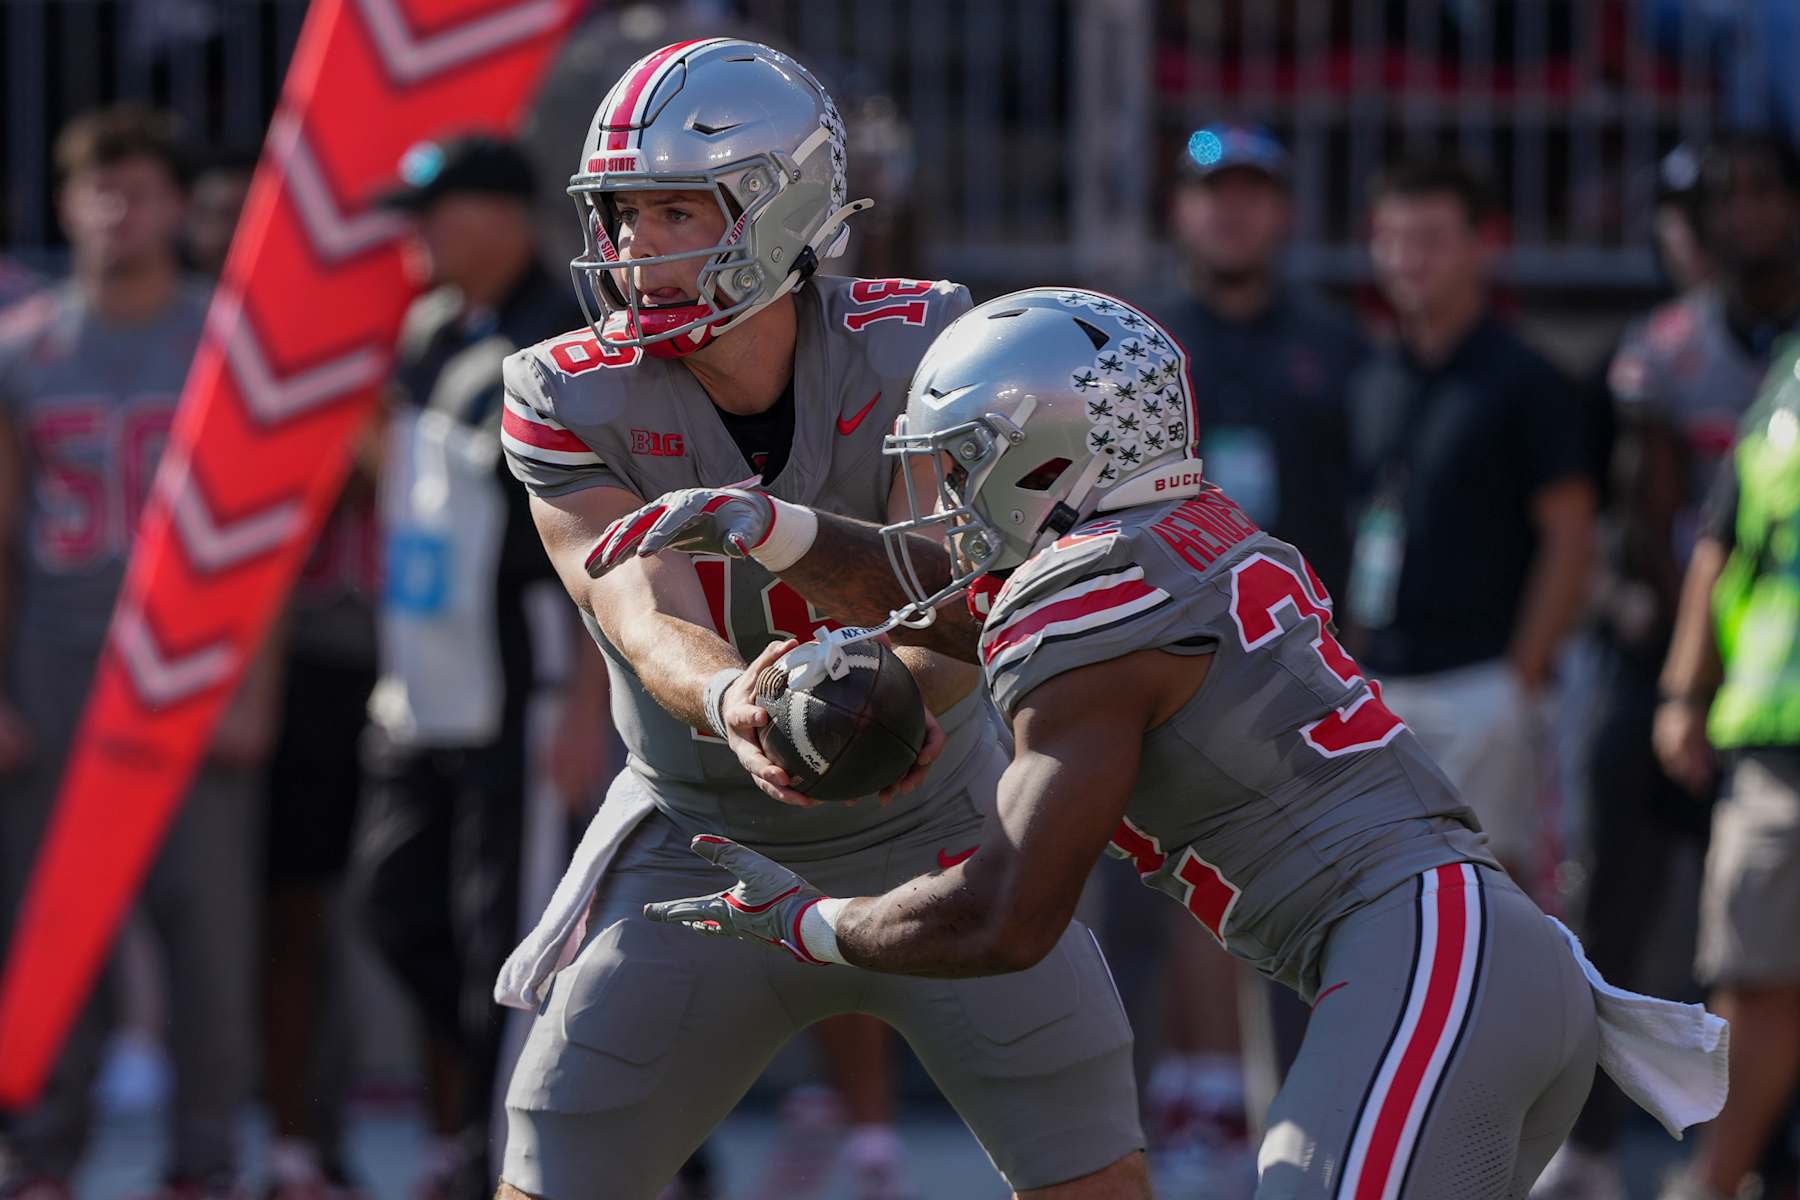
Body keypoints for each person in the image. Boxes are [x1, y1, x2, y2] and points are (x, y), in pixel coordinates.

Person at [598, 287, 1726, 1198]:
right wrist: (770, 525)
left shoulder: (1084, 612)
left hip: (1426, 961)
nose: (942, 495)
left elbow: (1006, 914)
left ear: (1040, 450)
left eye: (958, 458)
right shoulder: (1183, 537)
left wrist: (810, 925)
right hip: (1483, 960)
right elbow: (964, 601)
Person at [492, 39, 1145, 1200]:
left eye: (674, 210)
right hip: (702, 840)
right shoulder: (562, 388)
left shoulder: (922, 341)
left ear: (783, 205)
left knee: (1085, 1163)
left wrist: (861, 702)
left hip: (944, 824)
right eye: (621, 215)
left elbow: (946, 612)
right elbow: (636, 607)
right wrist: (739, 698)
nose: (634, 250)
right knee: (555, 1159)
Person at [0, 105, 272, 1200]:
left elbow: (261, 534)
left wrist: (254, 687)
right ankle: (42, 1149)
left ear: (174, 206)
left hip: (191, 658)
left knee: (204, 927)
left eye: (140, 188)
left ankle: (203, 1159)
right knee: (47, 918)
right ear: (65, 206)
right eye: (97, 189)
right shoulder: (23, 351)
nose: (119, 209)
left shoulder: (223, 340)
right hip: (58, 659)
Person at [1539, 132, 1800, 1200]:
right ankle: (1592, 1138)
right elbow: (1644, 523)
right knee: (1617, 904)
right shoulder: (1654, 348)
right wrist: (1658, 658)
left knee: (1757, 948)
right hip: (1678, 666)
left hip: (1763, 684)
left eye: (1754, 197)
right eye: (1709, 203)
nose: (1731, 221)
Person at [1126, 120, 1367, 1173]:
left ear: (1284, 210)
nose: (1230, 209)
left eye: (1253, 190)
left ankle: (1300, 1117)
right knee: (1172, 877)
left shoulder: (1340, 347)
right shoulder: (1134, 347)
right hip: (1159, 651)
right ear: (1178, 208)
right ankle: (1202, 1099)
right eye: (1209, 190)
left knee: (1304, 884)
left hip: (1304, 661)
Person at [350, 134, 580, 1200]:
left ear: (503, 215)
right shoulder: (432, 327)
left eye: (437, 213)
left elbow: (603, 542)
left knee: (513, 937)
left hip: (518, 683)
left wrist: (584, 701)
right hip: (422, 677)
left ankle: (514, 1164)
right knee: (394, 905)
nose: (420, 237)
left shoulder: (565, 341)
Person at [1345, 158, 1599, 886]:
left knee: (1494, 895)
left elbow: (1571, 532)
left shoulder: (1528, 380)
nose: (1407, 260)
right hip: (1379, 682)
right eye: (1391, 239)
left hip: (1484, 685)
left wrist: (1521, 677)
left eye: (1429, 239)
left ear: (1482, 245)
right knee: (1379, 895)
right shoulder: (1372, 374)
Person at [1651, 344, 1800, 1200]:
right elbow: (1722, 542)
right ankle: (1714, 1184)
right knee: (1751, 978)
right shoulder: (1787, 375)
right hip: (1774, 747)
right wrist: (1680, 691)